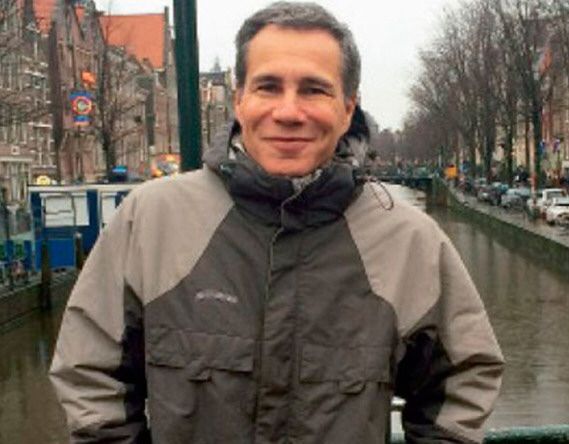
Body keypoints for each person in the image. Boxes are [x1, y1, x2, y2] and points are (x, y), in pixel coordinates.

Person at [50, 2, 504, 443]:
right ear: (239, 99)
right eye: (268, 87)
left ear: (348, 108)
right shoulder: (151, 222)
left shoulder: (408, 241)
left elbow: (462, 378)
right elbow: (91, 373)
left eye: (314, 90)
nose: (288, 112)